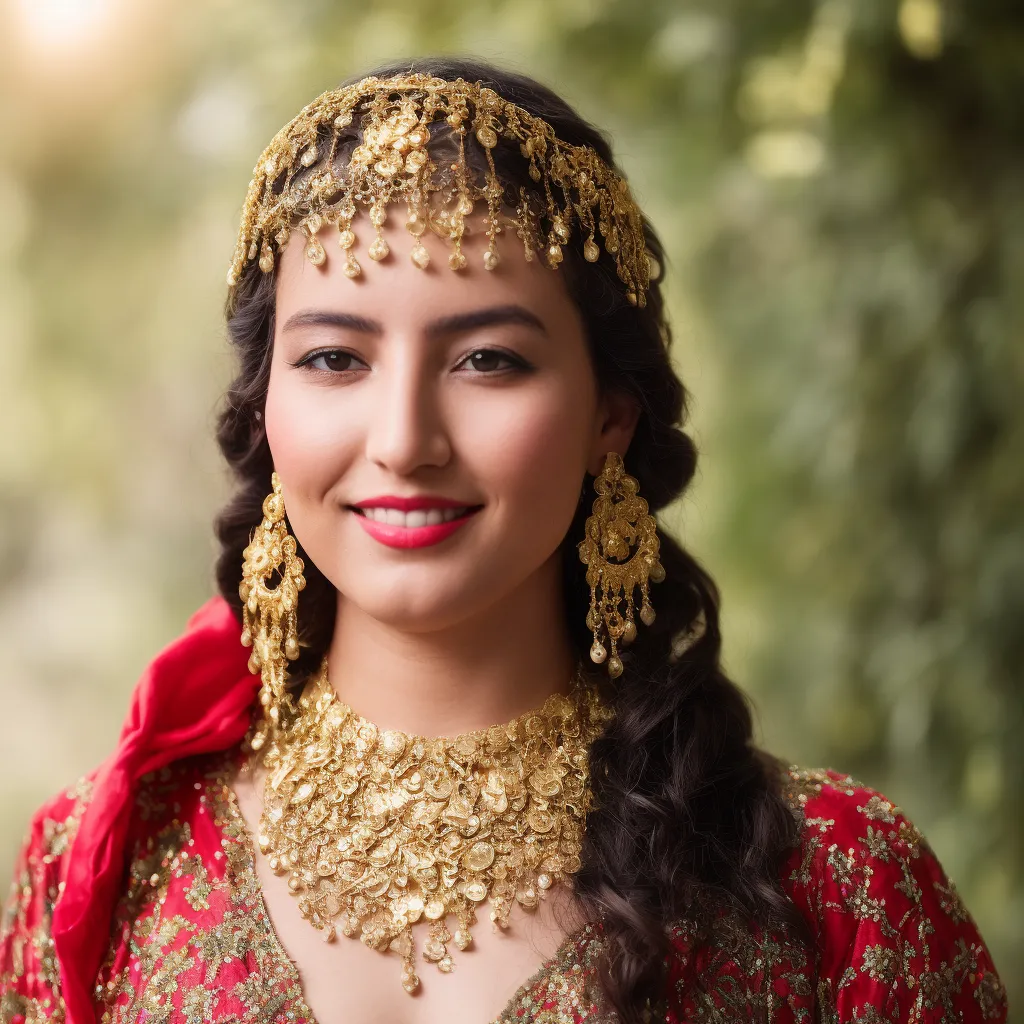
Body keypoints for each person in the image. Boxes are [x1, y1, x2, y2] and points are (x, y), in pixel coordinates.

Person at [0, 56, 1007, 1024]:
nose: (402, 440)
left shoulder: (834, 885)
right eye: (335, 357)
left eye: (486, 359)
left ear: (609, 417)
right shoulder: (103, 872)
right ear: (266, 406)